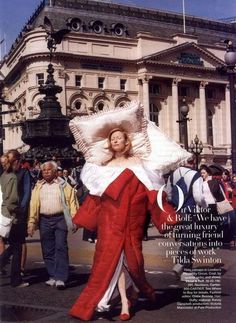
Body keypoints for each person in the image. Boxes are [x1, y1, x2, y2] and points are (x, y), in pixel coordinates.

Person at [69, 128, 176, 321]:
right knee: (113, 262)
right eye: (113, 138)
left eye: (120, 137)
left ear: (127, 142)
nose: (116, 140)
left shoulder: (139, 164)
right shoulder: (103, 166)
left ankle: (140, 289)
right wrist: (80, 220)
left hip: (132, 223)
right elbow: (95, 198)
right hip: (109, 224)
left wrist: (167, 216)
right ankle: (125, 302)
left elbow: (153, 193)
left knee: (133, 264)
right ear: (109, 144)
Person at [27, 161, 77, 290]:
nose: (46, 172)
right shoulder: (38, 186)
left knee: (61, 247)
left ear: (55, 172)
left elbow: (72, 202)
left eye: (49, 170)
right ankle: (53, 275)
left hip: (60, 219)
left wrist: (75, 220)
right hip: (44, 220)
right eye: (44, 170)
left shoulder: (64, 185)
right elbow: (33, 206)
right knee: (47, 249)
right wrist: (31, 223)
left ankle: (61, 278)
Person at [165, 157, 204, 281]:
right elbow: (198, 197)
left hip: (178, 211)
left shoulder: (173, 175)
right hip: (191, 211)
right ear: (192, 163)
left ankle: (184, 270)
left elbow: (168, 194)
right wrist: (205, 206)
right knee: (190, 239)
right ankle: (182, 266)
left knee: (185, 239)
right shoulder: (195, 175)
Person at [0, 155, 29, 287]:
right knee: (17, 247)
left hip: (5, 215)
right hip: (14, 216)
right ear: (15, 162)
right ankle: (15, 280)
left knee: (13, 246)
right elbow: (11, 201)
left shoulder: (3, 176)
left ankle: (14, 277)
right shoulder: (12, 177)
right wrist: (19, 211)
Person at [7, 149, 32, 276]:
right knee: (11, 240)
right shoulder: (7, 173)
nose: (8, 163)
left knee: (21, 240)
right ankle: (7, 263)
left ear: (16, 161)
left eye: (10, 160)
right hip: (7, 211)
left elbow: (27, 192)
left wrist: (21, 209)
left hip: (19, 212)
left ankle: (20, 268)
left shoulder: (24, 173)